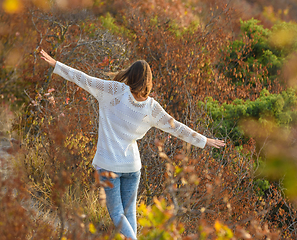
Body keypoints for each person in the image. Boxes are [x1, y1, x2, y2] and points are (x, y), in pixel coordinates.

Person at [40, 49, 225, 239]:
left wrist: (56, 64)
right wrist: (204, 140)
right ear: (149, 81)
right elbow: (177, 127)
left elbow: (83, 78)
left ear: (130, 75)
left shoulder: (114, 91)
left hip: (108, 165)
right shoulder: (151, 107)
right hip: (132, 167)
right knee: (128, 215)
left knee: (117, 215)